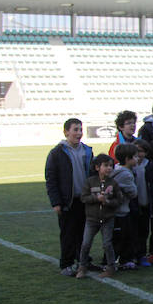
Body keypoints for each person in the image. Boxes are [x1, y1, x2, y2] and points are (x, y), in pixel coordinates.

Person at [45, 118, 93, 276]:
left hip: (84, 199)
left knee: (84, 233)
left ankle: (83, 261)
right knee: (68, 233)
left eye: (80, 129)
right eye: (75, 129)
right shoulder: (57, 153)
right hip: (68, 201)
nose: (79, 133)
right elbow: (51, 180)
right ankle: (66, 264)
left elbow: (92, 175)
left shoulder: (87, 150)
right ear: (66, 132)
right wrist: (56, 202)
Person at [76, 154, 124, 279]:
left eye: (110, 166)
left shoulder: (113, 183)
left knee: (107, 244)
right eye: (106, 166)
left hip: (108, 219)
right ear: (97, 167)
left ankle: (111, 267)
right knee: (86, 243)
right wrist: (96, 198)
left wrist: (107, 202)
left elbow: (119, 200)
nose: (109, 168)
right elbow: (83, 197)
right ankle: (82, 267)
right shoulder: (90, 182)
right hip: (92, 219)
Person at [111, 143, 139, 270]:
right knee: (122, 237)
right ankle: (118, 260)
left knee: (119, 237)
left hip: (116, 210)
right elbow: (133, 192)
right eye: (135, 157)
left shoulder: (116, 169)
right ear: (128, 159)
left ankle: (119, 259)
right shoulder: (126, 174)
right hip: (121, 211)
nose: (138, 159)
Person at [131, 139, 153, 267]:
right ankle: (132, 255)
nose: (139, 154)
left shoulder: (149, 165)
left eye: (141, 151)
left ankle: (142, 255)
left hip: (145, 203)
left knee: (144, 231)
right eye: (137, 151)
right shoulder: (129, 166)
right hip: (133, 204)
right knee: (132, 231)